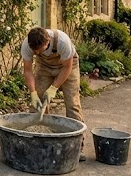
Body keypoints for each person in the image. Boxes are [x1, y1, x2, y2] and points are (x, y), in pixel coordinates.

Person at [21, 26, 85, 160]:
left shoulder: (62, 41)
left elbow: (67, 67)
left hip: (68, 66)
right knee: (37, 105)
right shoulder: (27, 45)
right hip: (44, 67)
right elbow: (27, 71)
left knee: (72, 104)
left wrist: (53, 88)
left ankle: (77, 148)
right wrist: (33, 93)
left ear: (47, 41)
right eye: (35, 51)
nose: (37, 52)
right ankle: (40, 143)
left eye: (40, 49)